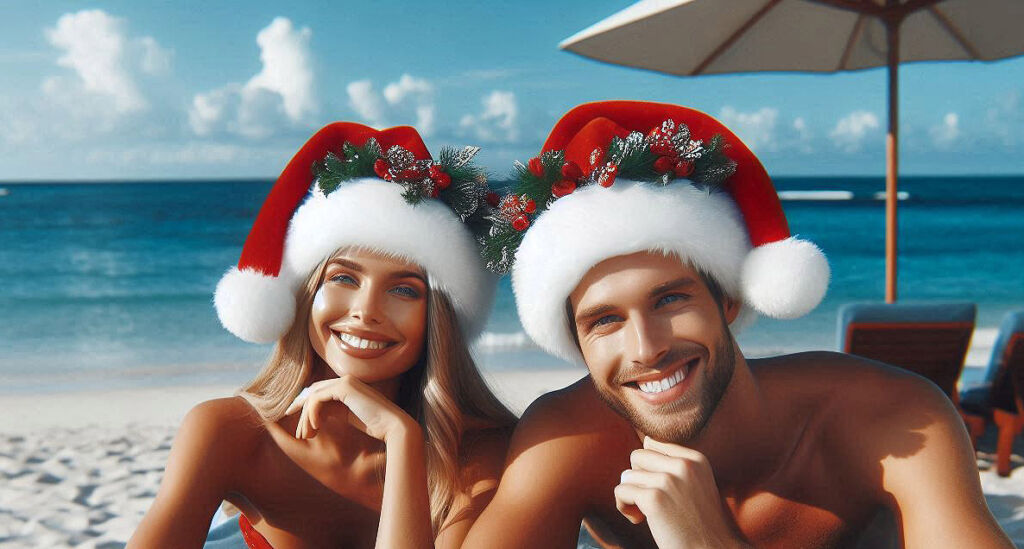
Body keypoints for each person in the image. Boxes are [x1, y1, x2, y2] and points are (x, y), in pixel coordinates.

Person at [463, 101, 1013, 548]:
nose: (646, 348)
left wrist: (707, 541)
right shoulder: (568, 440)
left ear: (727, 300)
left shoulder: (893, 422)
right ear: (577, 343)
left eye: (670, 299)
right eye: (604, 320)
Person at [129, 122, 516, 548]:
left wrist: (402, 438)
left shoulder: (478, 452)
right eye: (344, 278)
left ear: (440, 319)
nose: (366, 311)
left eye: (405, 289)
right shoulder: (229, 430)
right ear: (307, 292)